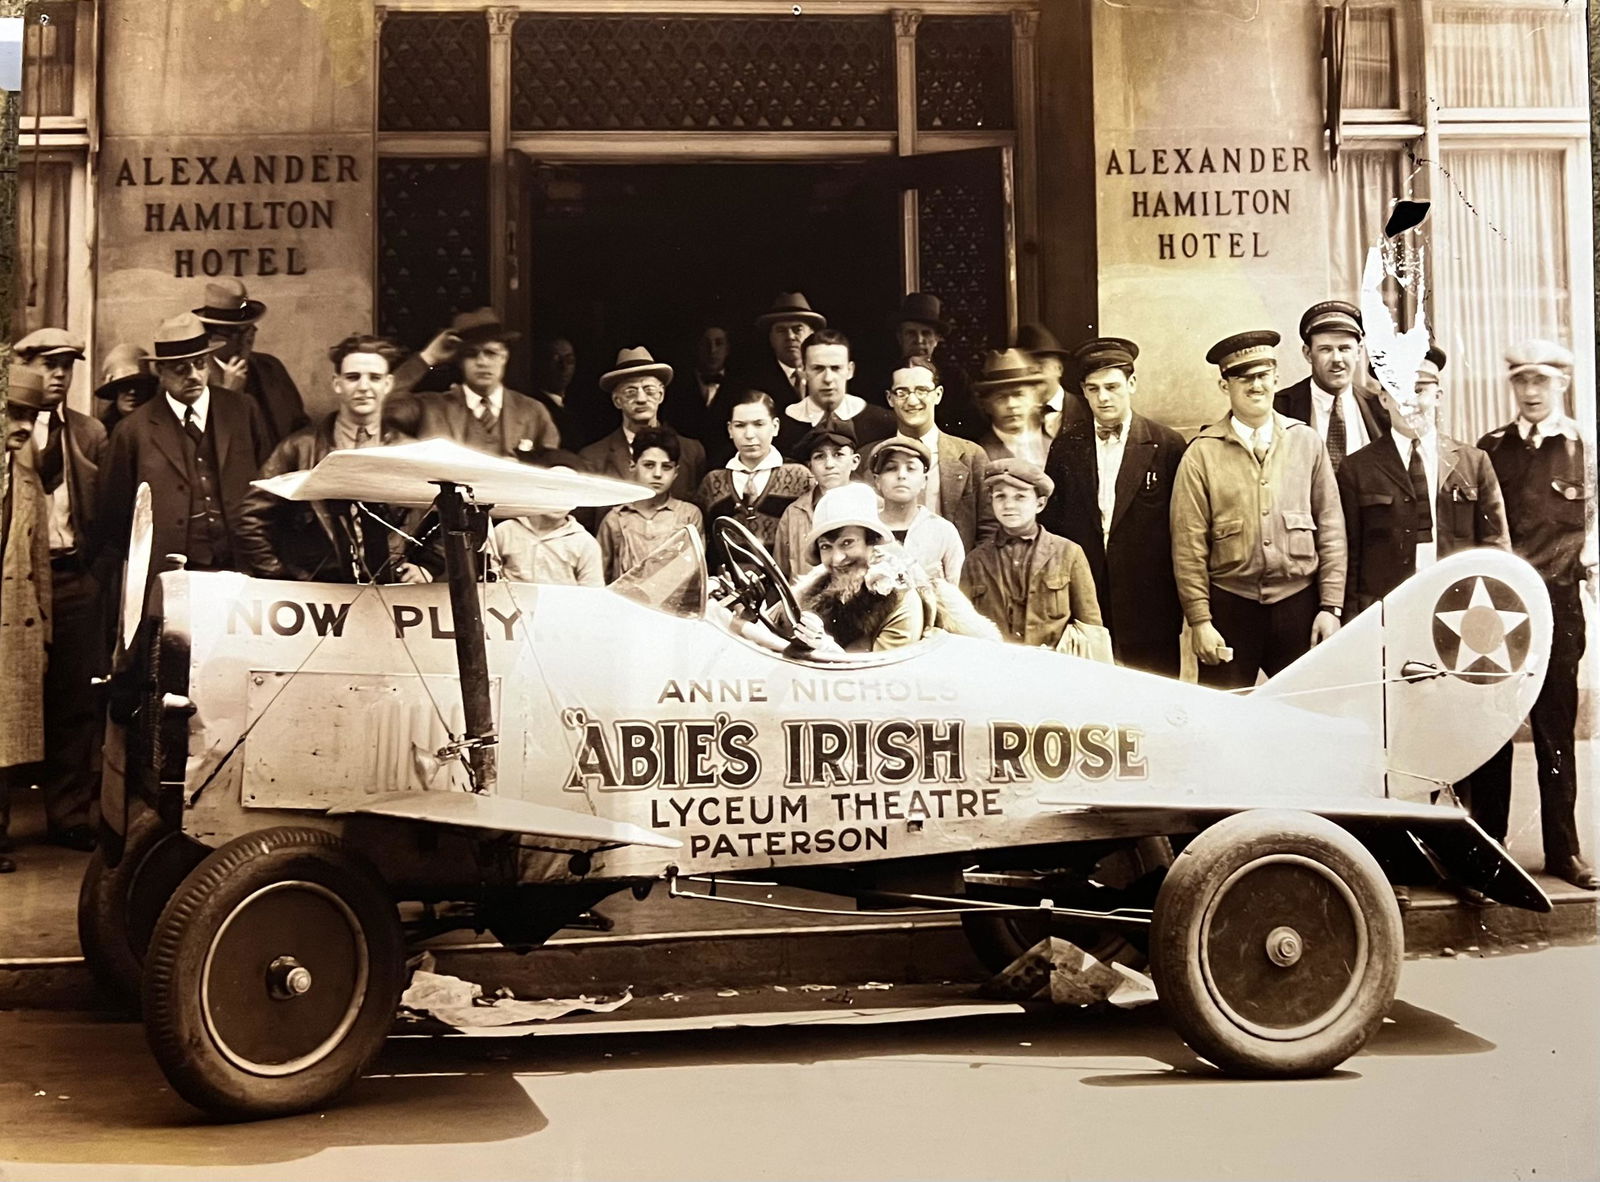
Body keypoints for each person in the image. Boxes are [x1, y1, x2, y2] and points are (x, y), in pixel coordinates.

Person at [1470, 340, 1596, 890]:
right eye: (1522, 382)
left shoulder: (1586, 448)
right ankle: (1489, 850)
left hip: (1562, 608)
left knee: (1554, 732)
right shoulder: (1491, 449)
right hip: (1500, 612)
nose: (1531, 392)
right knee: (1492, 732)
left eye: (1541, 382)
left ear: (1562, 385)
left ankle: (1563, 853)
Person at [1171, 330, 1346, 689]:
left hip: (1298, 605)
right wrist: (1200, 621)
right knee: (1225, 718)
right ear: (1225, 386)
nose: (1255, 386)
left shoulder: (1305, 441)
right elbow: (1188, 546)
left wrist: (1330, 608)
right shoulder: (1201, 454)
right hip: (1230, 608)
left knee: (1306, 713)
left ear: (1276, 378)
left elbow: (1331, 528)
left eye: (1263, 375)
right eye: (1243, 377)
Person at [14, 327, 110, 851]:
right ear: (21, 364)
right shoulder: (9, 427)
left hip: (74, 575)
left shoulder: (90, 432)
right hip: (18, 583)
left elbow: (108, 510)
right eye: (48, 365)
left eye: (67, 366)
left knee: (76, 700)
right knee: (11, 698)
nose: (58, 375)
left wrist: (94, 574)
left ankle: (70, 814)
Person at [1040, 337, 1187, 677]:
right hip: (1088, 596)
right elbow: (1053, 524)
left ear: (1131, 384)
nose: (1103, 398)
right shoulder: (1067, 445)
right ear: (1083, 391)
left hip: (1150, 601)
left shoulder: (1166, 444)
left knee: (1154, 692)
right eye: (1093, 389)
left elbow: (1182, 526)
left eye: (1112, 386)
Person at [236, 334, 434, 584]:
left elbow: (444, 515)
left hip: (392, 588)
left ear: (388, 384)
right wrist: (282, 577)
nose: (364, 387)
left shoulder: (410, 452)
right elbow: (250, 519)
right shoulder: (299, 447)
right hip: (319, 593)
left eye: (374, 378)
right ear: (336, 383)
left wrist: (427, 567)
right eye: (353, 377)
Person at [99, 312, 274, 583]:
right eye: (181, 368)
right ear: (161, 372)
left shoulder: (242, 410)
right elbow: (114, 516)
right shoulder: (133, 430)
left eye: (199, 363)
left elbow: (268, 487)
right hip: (168, 575)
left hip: (240, 566)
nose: (193, 376)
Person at [1337, 345, 1509, 617]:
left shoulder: (1473, 462)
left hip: (1459, 606)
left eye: (1419, 390)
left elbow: (1496, 544)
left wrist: (1495, 606)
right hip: (1385, 610)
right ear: (1383, 399)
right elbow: (1350, 554)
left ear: (1438, 396)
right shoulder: (1357, 468)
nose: (1408, 401)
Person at [961, 459, 1102, 648]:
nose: (1009, 505)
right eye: (1000, 496)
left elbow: (1091, 629)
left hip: (1055, 666)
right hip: (997, 666)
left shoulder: (1068, 553)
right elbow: (964, 627)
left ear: (1040, 504)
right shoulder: (975, 561)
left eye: (1020, 497)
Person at [387, 308, 561, 459]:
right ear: (459, 361)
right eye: (471, 354)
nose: (482, 362)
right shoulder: (431, 408)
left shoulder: (533, 412)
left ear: (505, 357)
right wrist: (428, 357)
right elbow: (381, 408)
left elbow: (550, 469)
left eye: (491, 353)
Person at [0, 367, 51, 873]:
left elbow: (40, 568)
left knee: (5, 741)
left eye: (31, 417)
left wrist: (46, 633)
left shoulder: (30, 483)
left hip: (16, 625)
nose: (22, 425)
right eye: (14, 412)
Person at [868, 359, 994, 554]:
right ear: (889, 399)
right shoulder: (870, 459)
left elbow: (989, 529)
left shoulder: (971, 456)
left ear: (938, 395)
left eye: (921, 391)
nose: (912, 401)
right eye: (901, 392)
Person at [792, 482, 928, 654]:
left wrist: (827, 648)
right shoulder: (814, 586)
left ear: (871, 541)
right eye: (826, 547)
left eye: (847, 543)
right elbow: (772, 622)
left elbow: (887, 674)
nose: (837, 559)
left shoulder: (900, 599)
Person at [696, 389, 813, 567]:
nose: (749, 434)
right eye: (740, 425)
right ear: (729, 429)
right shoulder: (713, 482)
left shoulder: (800, 477)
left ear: (775, 427)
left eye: (759, 424)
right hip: (728, 589)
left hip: (785, 587)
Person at [1274, 300, 1388, 474]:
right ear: (1307, 353)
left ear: (1358, 352)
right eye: (1325, 349)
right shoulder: (1280, 409)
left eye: (1344, 349)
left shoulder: (1380, 408)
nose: (1337, 359)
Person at [193, 278, 309, 448]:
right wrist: (229, 396)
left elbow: (300, 427)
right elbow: (197, 448)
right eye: (233, 333)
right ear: (210, 338)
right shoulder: (192, 378)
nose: (247, 340)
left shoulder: (271, 368)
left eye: (249, 329)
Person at [579, 348, 705, 501]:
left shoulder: (691, 452)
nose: (641, 399)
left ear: (661, 395)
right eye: (631, 391)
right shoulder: (593, 458)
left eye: (649, 390)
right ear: (617, 400)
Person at [595, 427, 704, 583]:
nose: (658, 474)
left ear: (676, 472)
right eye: (649, 465)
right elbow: (600, 576)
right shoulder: (616, 519)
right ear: (633, 466)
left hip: (672, 603)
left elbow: (695, 573)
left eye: (666, 467)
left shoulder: (688, 515)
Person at [869, 293, 981, 440]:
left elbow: (973, 425)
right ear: (899, 337)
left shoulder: (956, 379)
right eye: (911, 333)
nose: (919, 340)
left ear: (936, 339)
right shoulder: (883, 378)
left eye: (926, 333)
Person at [775, 329, 896, 460]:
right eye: (818, 368)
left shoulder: (883, 423)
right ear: (804, 370)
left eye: (836, 368)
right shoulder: (783, 427)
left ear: (850, 370)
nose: (828, 378)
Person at [490, 452, 604, 586]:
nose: (561, 501)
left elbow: (592, 595)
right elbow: (491, 582)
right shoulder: (505, 531)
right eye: (554, 491)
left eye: (569, 494)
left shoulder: (585, 543)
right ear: (539, 491)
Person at [773, 418, 861, 580]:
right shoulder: (794, 514)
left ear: (854, 461)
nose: (829, 464)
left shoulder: (871, 507)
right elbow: (780, 577)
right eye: (820, 456)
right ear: (810, 466)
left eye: (838, 454)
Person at [871, 435, 964, 583]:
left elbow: (957, 591)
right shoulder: (866, 528)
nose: (901, 475)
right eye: (891, 468)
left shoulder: (943, 531)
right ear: (877, 481)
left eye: (911, 468)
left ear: (924, 481)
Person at [740, 292, 826, 416]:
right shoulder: (754, 382)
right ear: (771, 338)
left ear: (811, 334)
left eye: (798, 329)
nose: (790, 337)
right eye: (781, 330)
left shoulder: (828, 374)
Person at [973, 348, 1051, 467]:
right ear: (986, 405)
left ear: (1036, 397)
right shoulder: (979, 455)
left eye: (1019, 394)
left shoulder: (1054, 444)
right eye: (1001, 398)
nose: (1011, 405)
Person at [1015, 322, 1090, 439]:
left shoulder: (1088, 410)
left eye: (1041, 365)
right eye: (1027, 367)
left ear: (1059, 369)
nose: (1034, 372)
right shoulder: (1011, 415)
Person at [664, 323, 732, 447]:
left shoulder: (740, 387)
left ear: (727, 349)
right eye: (706, 344)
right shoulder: (675, 387)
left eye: (719, 343)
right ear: (696, 347)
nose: (712, 350)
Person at [92, 344, 159, 431]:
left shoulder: (160, 428)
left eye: (138, 384)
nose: (132, 391)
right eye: (125, 385)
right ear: (114, 391)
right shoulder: (101, 433)